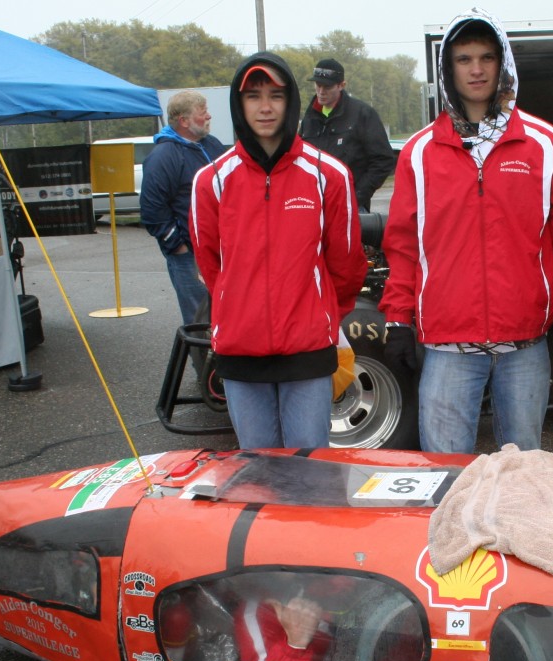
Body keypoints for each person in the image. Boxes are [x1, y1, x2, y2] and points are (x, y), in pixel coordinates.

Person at [379, 9, 553, 454]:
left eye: (487, 58)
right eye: (464, 58)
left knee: (522, 475)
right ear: (448, 69)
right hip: (447, 345)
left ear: (503, 63)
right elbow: (403, 246)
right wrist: (397, 318)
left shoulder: (547, 146)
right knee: (448, 474)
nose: (476, 69)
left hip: (525, 345)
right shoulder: (418, 153)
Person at [190, 53, 367, 449]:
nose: (265, 107)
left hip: (308, 352)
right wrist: (240, 309)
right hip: (240, 353)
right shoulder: (211, 181)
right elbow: (211, 264)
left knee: (309, 475)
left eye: (275, 95)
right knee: (258, 474)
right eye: (253, 96)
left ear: (291, 103)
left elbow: (347, 263)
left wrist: (315, 316)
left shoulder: (329, 176)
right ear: (239, 104)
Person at [140, 90, 226, 326]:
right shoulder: (164, 156)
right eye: (202, 112)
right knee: (201, 319)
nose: (209, 116)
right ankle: (204, 363)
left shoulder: (212, 145)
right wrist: (177, 246)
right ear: (184, 121)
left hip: (222, 250)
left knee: (227, 313)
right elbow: (152, 208)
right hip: (189, 255)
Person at [300, 58, 395, 212]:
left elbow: (383, 160)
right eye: (318, 85)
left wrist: (356, 196)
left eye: (327, 86)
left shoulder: (362, 114)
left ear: (341, 85)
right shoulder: (309, 118)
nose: (321, 91)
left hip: (352, 208)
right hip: (315, 207)